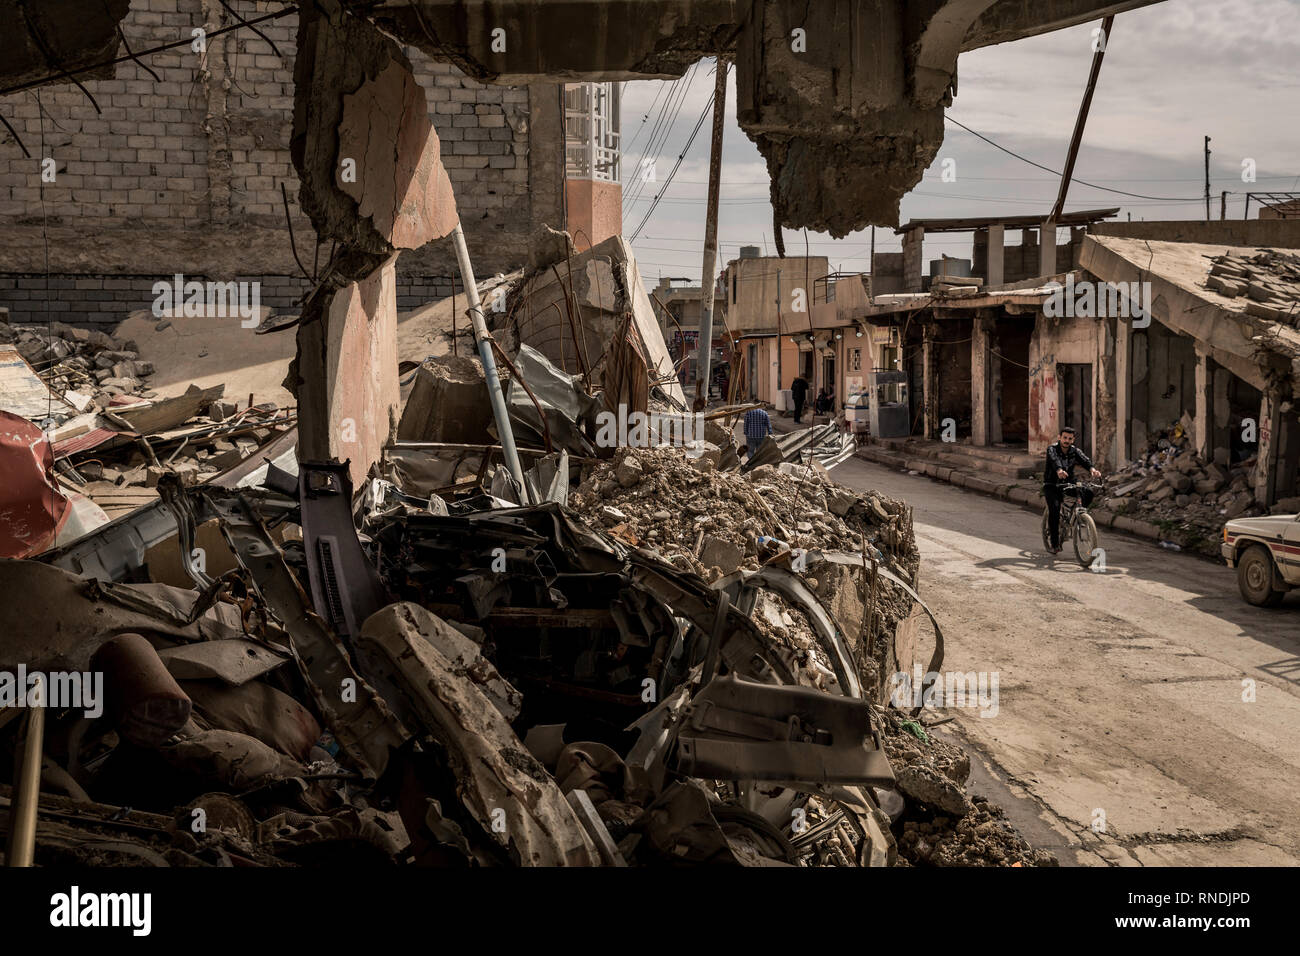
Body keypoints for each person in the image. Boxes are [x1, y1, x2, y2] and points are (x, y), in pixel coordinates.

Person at [1043, 425, 1102, 553]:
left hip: (1068, 482)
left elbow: (1085, 460)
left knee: (1088, 492)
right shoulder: (1052, 449)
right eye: (1064, 438)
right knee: (1054, 510)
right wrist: (1059, 470)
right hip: (1052, 484)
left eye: (1070, 439)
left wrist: (1092, 469)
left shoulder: (1074, 450)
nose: (1066, 441)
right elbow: (1054, 460)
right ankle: (1054, 544)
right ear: (1059, 437)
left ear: (1073, 440)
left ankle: (1079, 515)